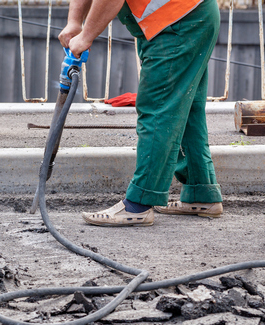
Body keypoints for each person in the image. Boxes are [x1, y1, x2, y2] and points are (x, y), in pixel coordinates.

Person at [59, 0, 223, 227]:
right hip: (187, 18)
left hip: (179, 22)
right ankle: (201, 194)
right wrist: (74, 22)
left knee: (158, 110)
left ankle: (139, 204)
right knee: (187, 109)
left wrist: (86, 35)